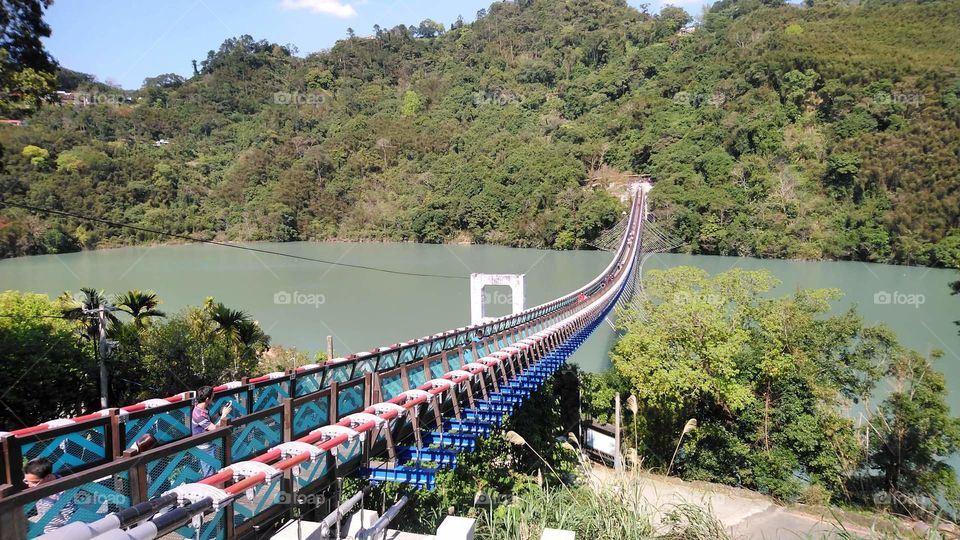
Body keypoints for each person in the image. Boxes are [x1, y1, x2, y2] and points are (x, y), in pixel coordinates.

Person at [23, 458, 76, 534]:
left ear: (49, 477)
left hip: (59, 531)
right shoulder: (40, 486)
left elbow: (70, 516)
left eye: (35, 482)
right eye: (26, 481)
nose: (29, 485)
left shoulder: (63, 492)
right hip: (44, 526)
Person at [191, 386, 232, 477]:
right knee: (209, 474)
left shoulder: (201, 408)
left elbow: (208, 422)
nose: (213, 398)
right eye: (212, 397)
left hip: (209, 444)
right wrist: (224, 415)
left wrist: (219, 413)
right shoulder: (199, 415)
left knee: (212, 471)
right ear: (207, 399)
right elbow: (215, 429)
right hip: (204, 447)